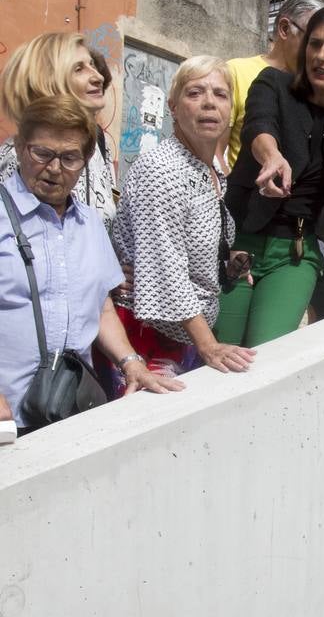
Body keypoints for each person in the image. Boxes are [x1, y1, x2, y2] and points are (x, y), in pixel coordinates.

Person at [0, 96, 183, 434]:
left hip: (68, 409)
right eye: (42, 153)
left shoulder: (90, 224)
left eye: (69, 158)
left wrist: (131, 363)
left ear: (85, 160)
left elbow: (101, 308)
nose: (54, 168)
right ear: (20, 147)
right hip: (7, 418)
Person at [217, 4, 324, 347]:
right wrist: (271, 157)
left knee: (265, 353)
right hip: (238, 243)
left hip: (296, 254)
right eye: (315, 44)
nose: (321, 56)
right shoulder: (273, 83)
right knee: (220, 351)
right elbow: (259, 125)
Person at [111, 57, 257, 386]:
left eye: (220, 95)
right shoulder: (161, 169)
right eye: (195, 93)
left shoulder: (211, 169)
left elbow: (193, 241)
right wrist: (209, 345)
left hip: (185, 333)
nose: (209, 103)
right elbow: (166, 266)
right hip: (144, 334)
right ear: (173, 107)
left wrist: (229, 260)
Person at [0, 32, 117, 228]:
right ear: (47, 81)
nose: (98, 77)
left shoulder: (97, 146)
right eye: (79, 69)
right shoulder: (21, 156)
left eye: (92, 65)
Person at [222, 0, 324, 171]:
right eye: (314, 40)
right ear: (285, 29)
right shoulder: (236, 72)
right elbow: (216, 153)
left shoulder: (319, 88)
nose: (321, 52)